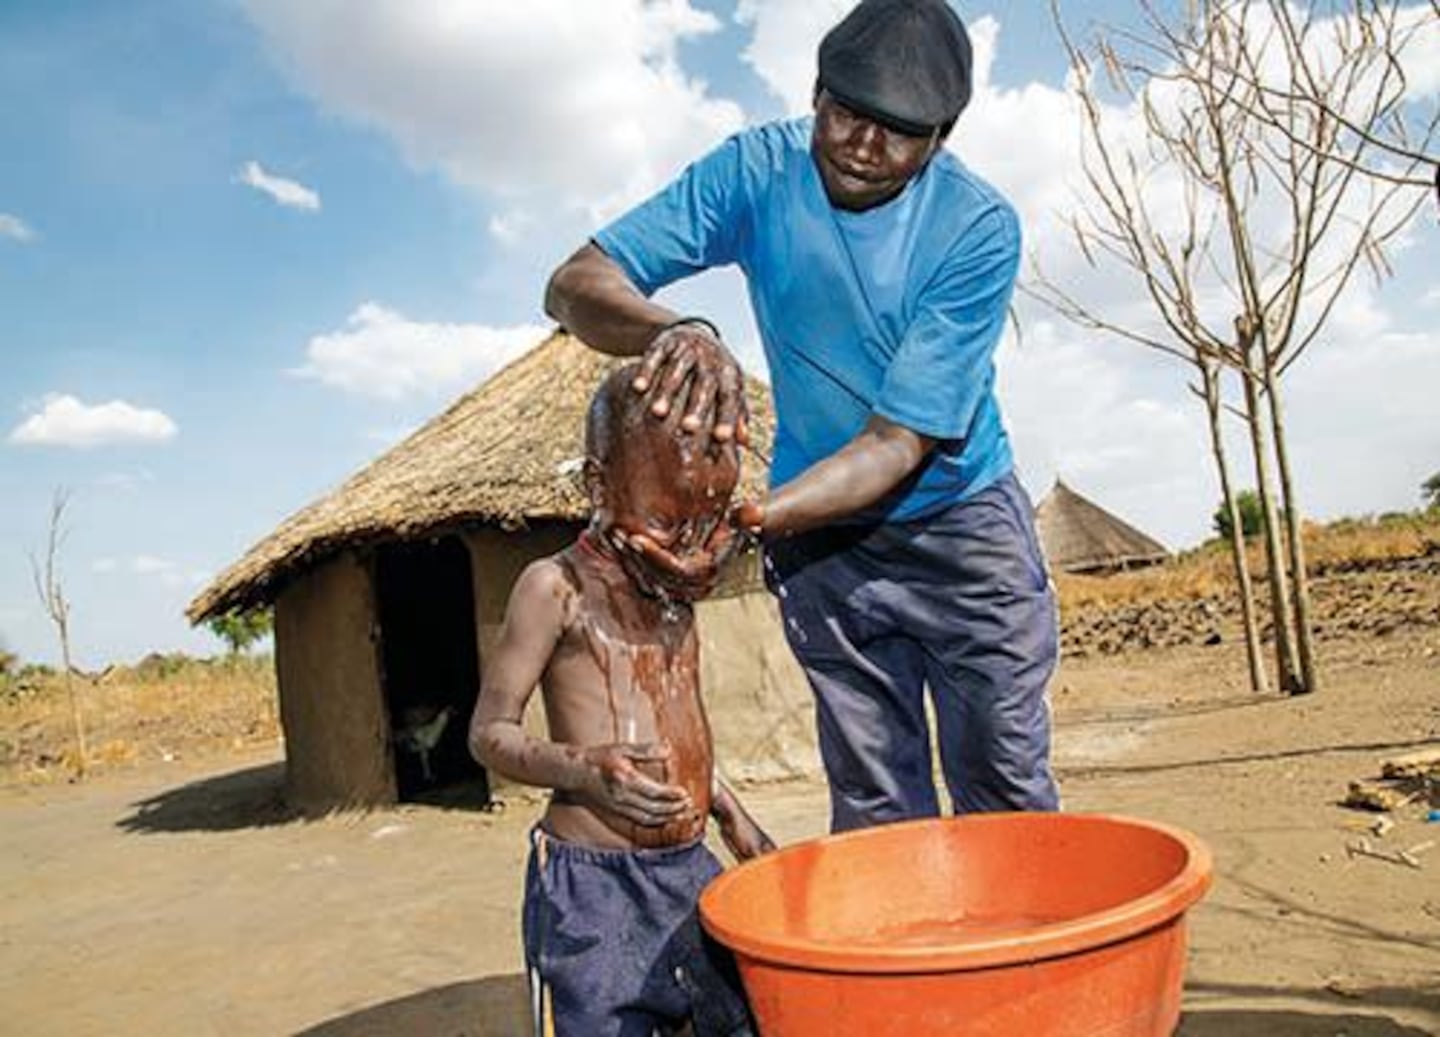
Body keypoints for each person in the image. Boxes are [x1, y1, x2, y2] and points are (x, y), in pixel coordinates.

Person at [544, 0, 1059, 833]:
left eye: (898, 131)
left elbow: (896, 444)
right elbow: (574, 284)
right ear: (815, 91)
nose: (863, 143)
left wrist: (751, 520)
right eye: (846, 111)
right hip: (825, 547)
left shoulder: (977, 228)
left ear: (942, 139)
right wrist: (676, 330)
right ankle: (901, 963)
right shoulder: (758, 170)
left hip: (962, 526)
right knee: (876, 798)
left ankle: (1021, 965)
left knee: (1003, 779)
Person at [468, 364, 772, 1037]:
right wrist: (584, 767)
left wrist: (729, 810)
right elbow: (489, 731)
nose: (688, 545)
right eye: (668, 518)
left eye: (706, 520)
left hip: (687, 867)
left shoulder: (674, 593)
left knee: (741, 1016)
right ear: (599, 485)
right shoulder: (553, 587)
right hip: (592, 886)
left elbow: (676, 730)